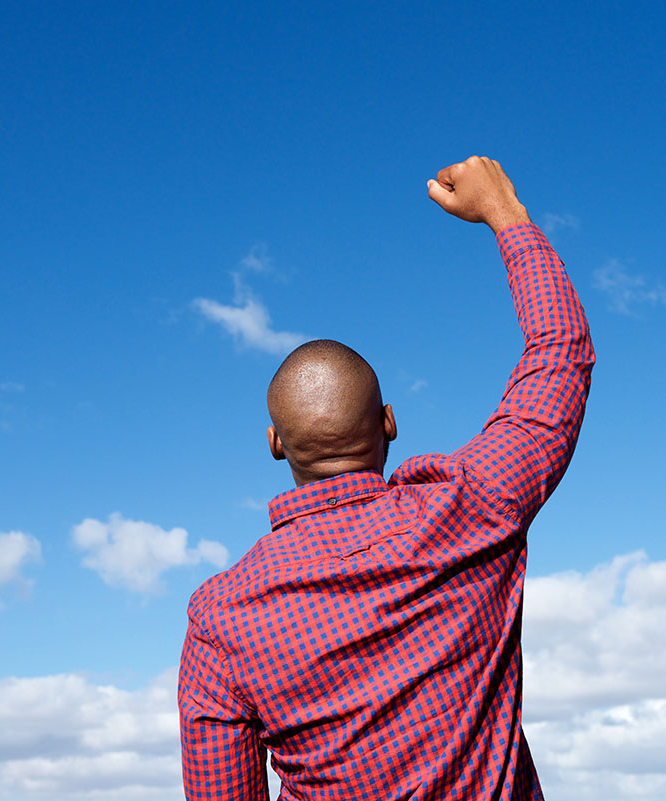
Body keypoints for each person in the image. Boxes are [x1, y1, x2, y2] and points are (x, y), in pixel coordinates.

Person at [179, 156, 594, 801]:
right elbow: (558, 352)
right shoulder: (474, 506)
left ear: (276, 445)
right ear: (389, 423)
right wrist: (503, 213)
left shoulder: (221, 620)